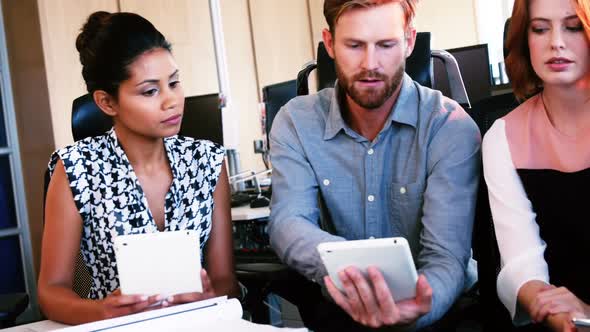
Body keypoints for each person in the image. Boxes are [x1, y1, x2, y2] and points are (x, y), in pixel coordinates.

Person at [268, 0, 481, 330]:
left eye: (386, 45)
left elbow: (445, 257)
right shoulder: (296, 122)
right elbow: (287, 224)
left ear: (409, 42)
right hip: (341, 311)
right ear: (329, 44)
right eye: (354, 45)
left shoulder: (449, 126)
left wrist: (417, 307)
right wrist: (360, 277)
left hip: (437, 314)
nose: (371, 64)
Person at [38, 11, 238, 324]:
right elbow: (52, 290)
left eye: (174, 83)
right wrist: (102, 311)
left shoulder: (207, 161)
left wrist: (209, 295)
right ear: (107, 102)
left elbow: (226, 278)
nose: (171, 100)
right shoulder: (76, 169)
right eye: (150, 91)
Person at [483, 0, 590, 331]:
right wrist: (563, 314)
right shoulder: (502, 136)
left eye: (573, 27)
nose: (555, 42)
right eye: (540, 29)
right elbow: (521, 262)